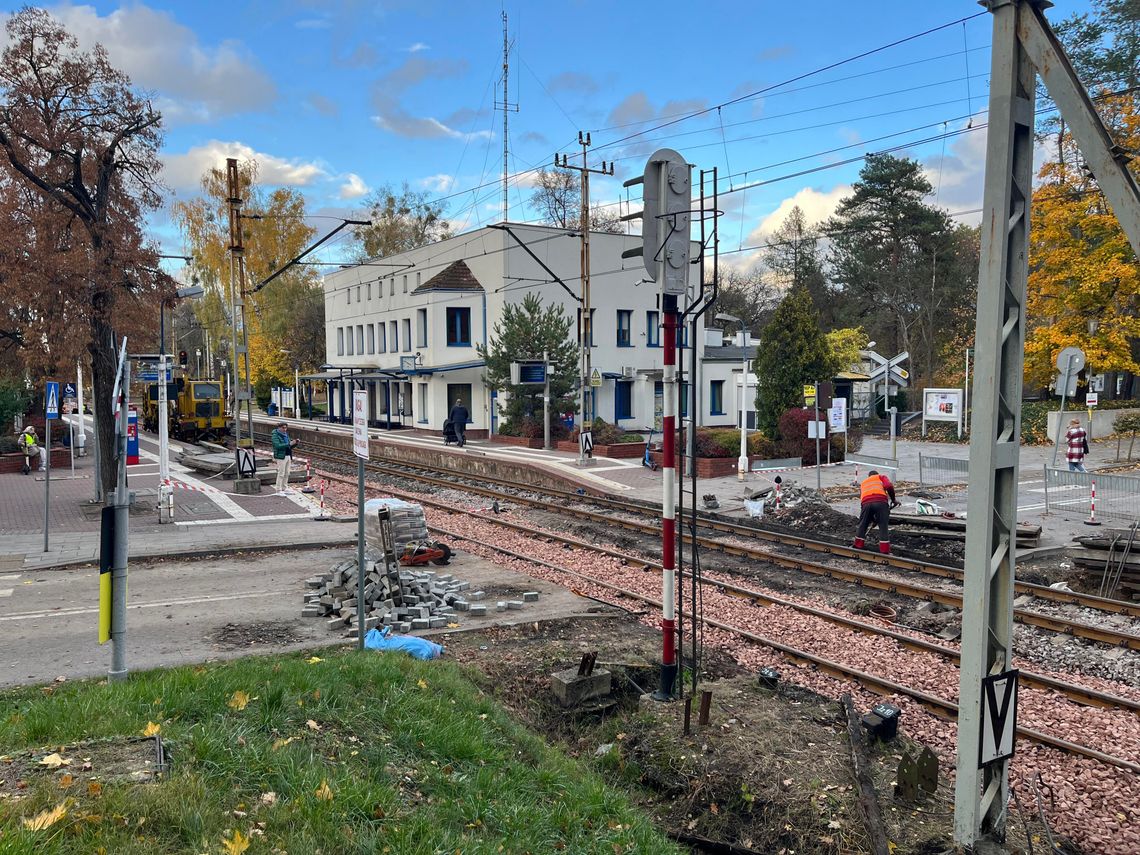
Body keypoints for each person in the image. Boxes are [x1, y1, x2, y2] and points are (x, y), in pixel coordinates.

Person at [854, 469, 900, 555]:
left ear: (869, 476)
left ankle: (857, 546)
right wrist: (893, 500)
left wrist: (872, 518)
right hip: (880, 502)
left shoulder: (863, 483)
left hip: (865, 503)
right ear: (876, 474)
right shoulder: (880, 477)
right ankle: (884, 551)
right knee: (883, 526)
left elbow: (863, 499)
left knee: (863, 524)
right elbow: (889, 486)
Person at [271, 421, 297, 492]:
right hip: (281, 456)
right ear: (279, 428)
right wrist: (289, 444)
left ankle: (284, 487)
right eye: (283, 428)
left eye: (286, 428)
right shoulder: (275, 435)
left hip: (288, 455)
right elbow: (277, 446)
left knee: (287, 473)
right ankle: (278, 489)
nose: (285, 429)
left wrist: (295, 443)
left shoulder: (285, 434)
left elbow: (288, 446)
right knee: (281, 473)